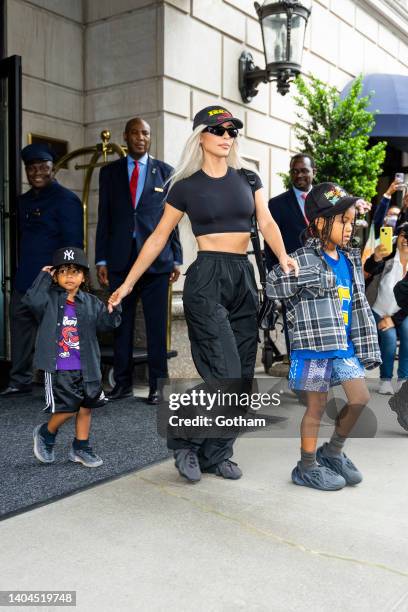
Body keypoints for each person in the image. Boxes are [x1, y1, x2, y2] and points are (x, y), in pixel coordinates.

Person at [108, 105, 298, 483]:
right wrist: (127, 283)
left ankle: (216, 453)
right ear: (201, 136)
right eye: (219, 131)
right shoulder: (186, 186)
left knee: (242, 378)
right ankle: (184, 438)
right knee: (224, 372)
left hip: (243, 278)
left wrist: (284, 256)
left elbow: (267, 221)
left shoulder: (248, 178)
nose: (227, 137)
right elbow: (158, 237)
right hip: (206, 279)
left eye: (232, 132)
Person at [267, 183, 381, 491]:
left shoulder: (348, 259)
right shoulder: (303, 258)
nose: (349, 227)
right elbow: (273, 284)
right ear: (319, 222)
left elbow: (357, 302)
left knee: (360, 398)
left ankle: (332, 452)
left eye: (351, 220)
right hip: (314, 349)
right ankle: (306, 466)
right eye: (342, 220)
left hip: (342, 347)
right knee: (316, 407)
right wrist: (307, 274)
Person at [95, 117, 182, 405]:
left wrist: (177, 258)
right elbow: (104, 218)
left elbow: (173, 221)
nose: (140, 137)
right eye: (134, 132)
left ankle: (159, 385)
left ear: (150, 137)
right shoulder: (109, 173)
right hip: (120, 261)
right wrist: (101, 260)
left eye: (145, 133)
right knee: (121, 325)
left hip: (157, 263)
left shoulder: (166, 173)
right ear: (126, 136)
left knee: (157, 327)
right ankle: (122, 384)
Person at [23, 247, 121, 467]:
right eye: (64, 271)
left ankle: (81, 447)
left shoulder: (91, 302)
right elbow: (31, 301)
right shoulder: (47, 299)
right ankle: (46, 434)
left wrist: (114, 307)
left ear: (84, 277)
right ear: (55, 276)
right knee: (68, 408)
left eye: (75, 271)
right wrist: (42, 277)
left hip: (88, 367)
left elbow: (106, 324)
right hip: (60, 367)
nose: (69, 276)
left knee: (86, 407)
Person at [1, 144, 83, 397]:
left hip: (52, 280)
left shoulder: (67, 200)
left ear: (53, 169)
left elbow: (72, 244)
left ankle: (63, 384)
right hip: (25, 278)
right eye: (31, 168)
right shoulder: (23, 202)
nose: (36, 172)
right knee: (21, 330)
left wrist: (66, 280)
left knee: (57, 333)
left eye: (43, 167)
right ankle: (20, 380)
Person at [364, 222, 408, 394]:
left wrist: (393, 319)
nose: (406, 240)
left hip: (402, 313)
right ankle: (386, 380)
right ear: (398, 237)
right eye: (404, 235)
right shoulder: (388, 256)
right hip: (378, 309)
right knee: (389, 339)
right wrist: (376, 257)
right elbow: (369, 270)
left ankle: (403, 379)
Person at [264, 153, 316, 270]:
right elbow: (270, 241)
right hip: (293, 272)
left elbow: (342, 201)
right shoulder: (276, 204)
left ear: (314, 172)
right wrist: (276, 271)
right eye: (295, 171)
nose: (299, 175)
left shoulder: (326, 197)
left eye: (304, 170)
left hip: (325, 269)